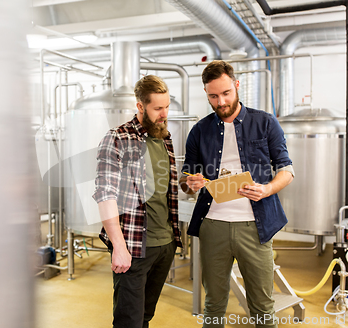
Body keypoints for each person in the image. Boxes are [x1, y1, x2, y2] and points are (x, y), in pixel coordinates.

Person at [180, 60, 294, 328]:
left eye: (226, 93)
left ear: (237, 85)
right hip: (213, 225)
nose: (221, 102)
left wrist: (266, 189)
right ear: (206, 94)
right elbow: (185, 179)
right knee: (214, 304)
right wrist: (190, 181)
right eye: (213, 96)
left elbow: (287, 170)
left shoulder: (265, 123)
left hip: (256, 227)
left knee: (262, 306)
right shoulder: (200, 130)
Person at [93, 75, 182, 328]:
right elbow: (105, 194)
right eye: (158, 108)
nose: (164, 114)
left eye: (166, 107)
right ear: (140, 106)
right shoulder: (118, 138)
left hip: (165, 244)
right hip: (133, 245)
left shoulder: (165, 138)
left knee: (144, 315)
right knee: (128, 321)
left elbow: (165, 190)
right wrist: (119, 247)